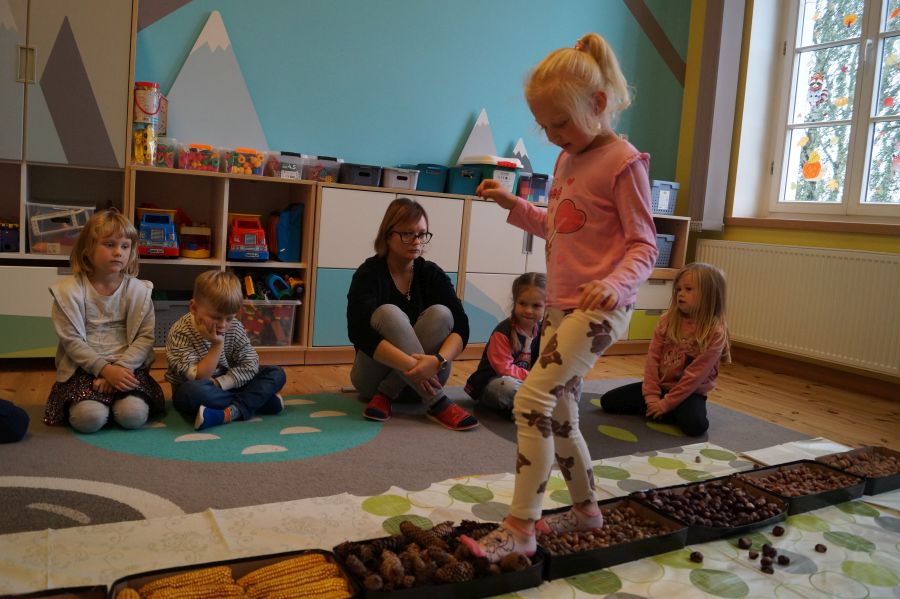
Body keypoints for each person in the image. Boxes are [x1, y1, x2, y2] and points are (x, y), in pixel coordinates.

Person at [460, 32, 658, 561]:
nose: (552, 137)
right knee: (563, 413)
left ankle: (521, 526)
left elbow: (644, 244)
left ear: (599, 104)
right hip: (561, 307)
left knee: (532, 400)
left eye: (561, 124)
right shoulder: (568, 161)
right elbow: (559, 225)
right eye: (544, 127)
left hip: (599, 311)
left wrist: (614, 285)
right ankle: (587, 512)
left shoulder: (624, 162)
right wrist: (513, 205)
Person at [347, 197, 478, 431]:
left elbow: (462, 326)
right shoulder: (369, 274)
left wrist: (437, 361)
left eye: (422, 234)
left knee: (442, 314)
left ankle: (387, 393)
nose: (417, 242)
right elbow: (359, 332)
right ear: (388, 235)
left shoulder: (431, 273)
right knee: (388, 313)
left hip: (431, 375)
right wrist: (414, 366)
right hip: (373, 380)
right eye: (408, 234)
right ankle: (438, 403)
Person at [45, 209, 165, 433]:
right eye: (109, 244)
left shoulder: (139, 291)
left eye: (125, 246)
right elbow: (71, 341)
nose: (118, 252)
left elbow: (145, 337)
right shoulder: (68, 292)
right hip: (84, 370)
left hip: (129, 368)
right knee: (88, 419)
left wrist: (119, 369)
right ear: (88, 249)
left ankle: (114, 405)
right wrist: (105, 370)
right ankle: (100, 407)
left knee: (133, 416)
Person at [601, 263, 730, 437]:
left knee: (696, 426)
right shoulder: (666, 321)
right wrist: (652, 397)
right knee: (608, 402)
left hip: (690, 392)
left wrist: (666, 404)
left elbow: (694, 376)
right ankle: (660, 410)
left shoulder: (715, 332)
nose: (680, 294)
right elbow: (652, 360)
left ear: (709, 294)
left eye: (688, 289)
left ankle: (665, 410)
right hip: (660, 386)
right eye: (678, 289)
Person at [165, 270, 286, 430]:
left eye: (229, 318)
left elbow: (250, 364)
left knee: (276, 373)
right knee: (192, 393)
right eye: (215, 317)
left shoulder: (234, 326)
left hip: (228, 383)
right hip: (196, 389)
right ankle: (258, 402)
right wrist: (217, 345)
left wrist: (219, 382)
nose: (223, 325)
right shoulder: (180, 332)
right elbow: (200, 378)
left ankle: (230, 412)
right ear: (194, 308)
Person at [465, 272, 547, 416]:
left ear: (546, 306)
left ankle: (525, 406)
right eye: (522, 303)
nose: (528, 310)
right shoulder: (503, 331)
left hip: (527, 383)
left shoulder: (543, 331)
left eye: (536, 306)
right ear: (515, 301)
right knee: (506, 387)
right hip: (494, 383)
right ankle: (527, 406)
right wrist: (535, 379)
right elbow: (504, 369)